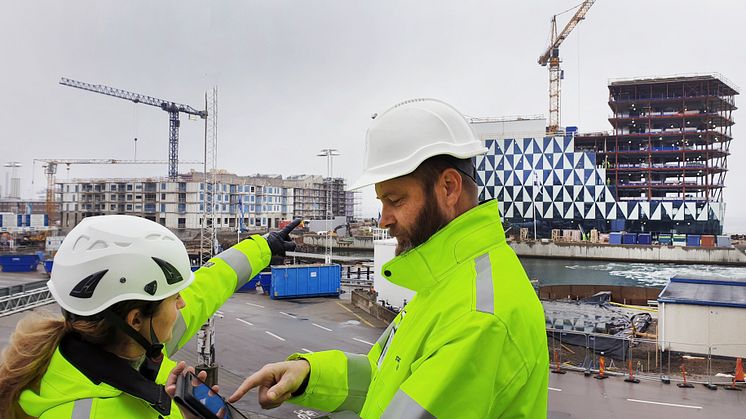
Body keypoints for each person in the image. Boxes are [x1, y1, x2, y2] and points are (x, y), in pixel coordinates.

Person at [228, 99, 549, 418]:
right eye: (382, 202)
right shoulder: (447, 284)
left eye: (395, 200)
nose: (383, 219)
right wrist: (308, 374)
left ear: (449, 188)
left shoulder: (478, 319)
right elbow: (385, 378)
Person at [0, 215, 298, 418]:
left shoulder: (125, 346)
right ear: (134, 319)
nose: (183, 303)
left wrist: (263, 248)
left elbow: (206, 287)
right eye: (174, 297)